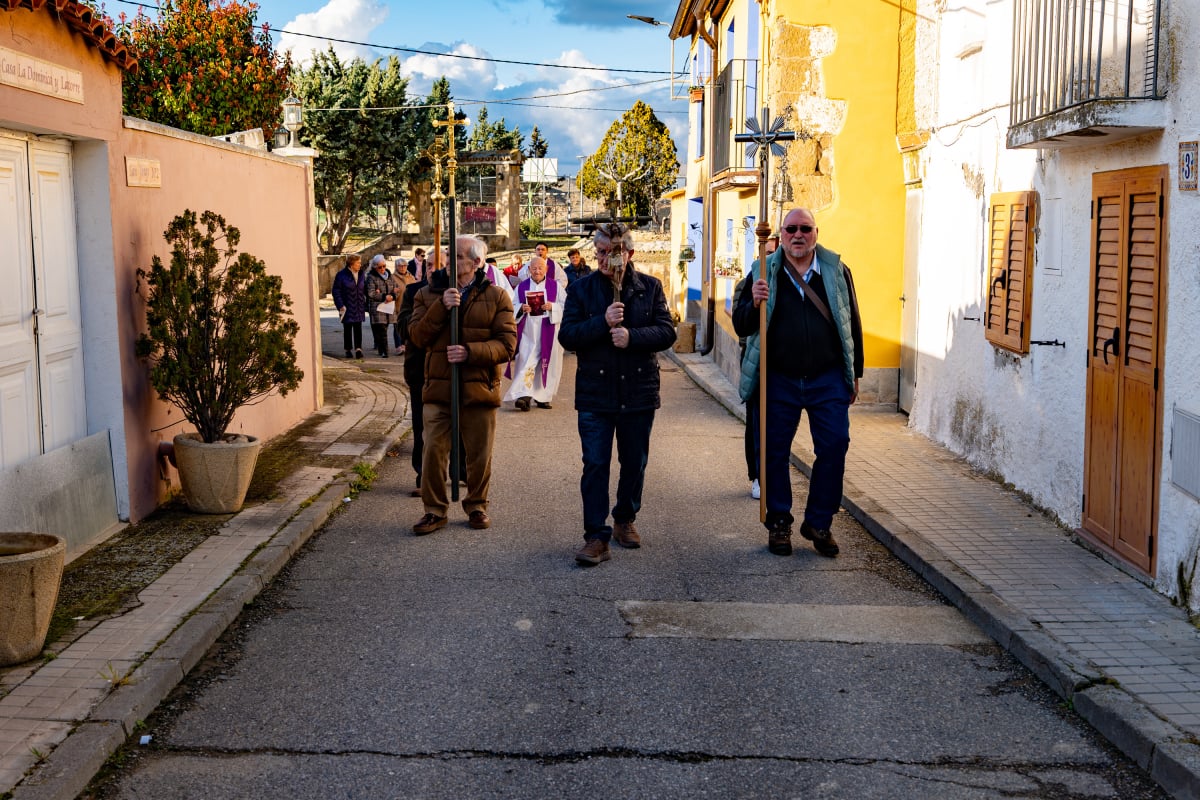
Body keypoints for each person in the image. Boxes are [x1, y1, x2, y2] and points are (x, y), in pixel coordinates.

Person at [732, 208, 863, 559]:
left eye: (805, 229)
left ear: (816, 233)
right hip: (778, 378)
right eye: (791, 229)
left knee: (835, 445)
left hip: (827, 377)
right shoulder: (763, 270)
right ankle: (779, 521)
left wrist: (855, 374)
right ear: (782, 234)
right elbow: (742, 324)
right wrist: (754, 301)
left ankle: (819, 522)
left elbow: (851, 321)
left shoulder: (836, 271)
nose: (798, 235)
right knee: (773, 452)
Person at [559, 222, 676, 566]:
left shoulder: (649, 288)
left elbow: (667, 331)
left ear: (629, 253)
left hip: (638, 390)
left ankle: (625, 516)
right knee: (595, 463)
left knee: (634, 461)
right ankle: (596, 535)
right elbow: (568, 336)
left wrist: (633, 337)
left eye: (615, 252)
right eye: (601, 253)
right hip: (596, 392)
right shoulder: (581, 290)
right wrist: (602, 323)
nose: (607, 259)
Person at [407, 235, 516, 534]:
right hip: (439, 389)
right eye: (446, 254)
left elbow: (507, 345)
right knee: (432, 452)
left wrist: (471, 352)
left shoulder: (497, 296)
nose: (447, 261)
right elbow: (416, 337)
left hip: (479, 387)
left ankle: (477, 505)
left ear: (476, 262)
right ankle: (434, 511)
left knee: (479, 454)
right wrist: (441, 306)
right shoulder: (427, 294)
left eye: (455, 256)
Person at [504, 256, 565, 411]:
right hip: (528, 332)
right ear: (529, 269)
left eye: (540, 268)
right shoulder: (521, 287)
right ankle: (523, 396)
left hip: (549, 329)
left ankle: (543, 397)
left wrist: (553, 307)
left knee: (548, 364)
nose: (537, 271)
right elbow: (511, 306)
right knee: (526, 362)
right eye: (534, 268)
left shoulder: (556, 287)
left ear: (546, 269)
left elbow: (567, 306)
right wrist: (520, 308)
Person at [365, 254, 402, 358]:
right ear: (375, 267)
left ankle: (381, 349)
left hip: (389, 307)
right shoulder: (371, 277)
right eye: (380, 267)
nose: (382, 269)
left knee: (384, 328)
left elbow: (397, 289)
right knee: (381, 329)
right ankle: (385, 351)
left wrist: (393, 296)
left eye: (384, 266)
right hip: (378, 308)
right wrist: (385, 296)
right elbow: (371, 293)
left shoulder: (390, 276)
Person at [331, 254, 367, 359]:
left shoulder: (361, 274)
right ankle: (348, 349)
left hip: (358, 304)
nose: (360, 265)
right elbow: (336, 291)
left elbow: (363, 288)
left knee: (358, 327)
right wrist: (340, 305)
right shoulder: (341, 275)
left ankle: (358, 349)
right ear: (351, 264)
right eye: (358, 263)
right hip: (346, 305)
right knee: (347, 328)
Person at [393, 258, 417, 355]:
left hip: (409, 305)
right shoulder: (393, 277)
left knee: (407, 325)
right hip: (397, 305)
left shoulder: (411, 277)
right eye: (400, 266)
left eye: (404, 266)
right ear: (396, 267)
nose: (403, 268)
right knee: (397, 326)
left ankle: (404, 344)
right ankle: (398, 346)